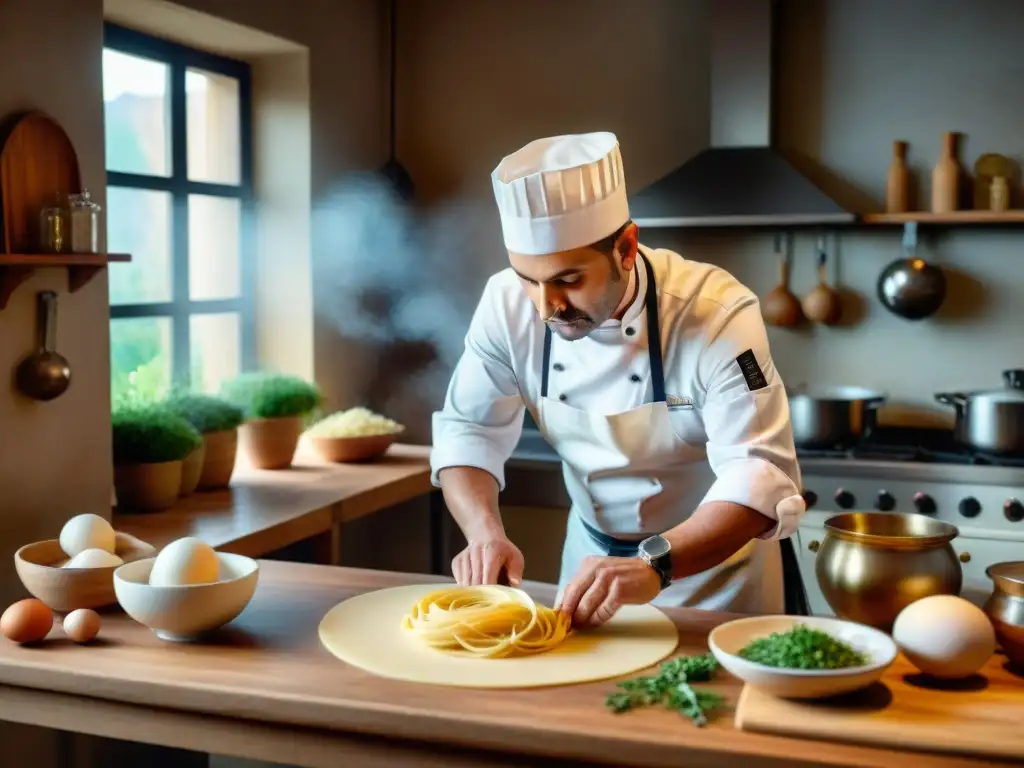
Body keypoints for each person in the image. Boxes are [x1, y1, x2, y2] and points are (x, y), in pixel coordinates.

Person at [430, 131, 806, 628]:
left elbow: (759, 473)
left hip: (713, 578)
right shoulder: (505, 306)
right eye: (528, 279)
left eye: (568, 280)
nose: (546, 308)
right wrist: (484, 533)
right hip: (589, 569)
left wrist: (654, 564)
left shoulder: (715, 314)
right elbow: (468, 430)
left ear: (626, 248)